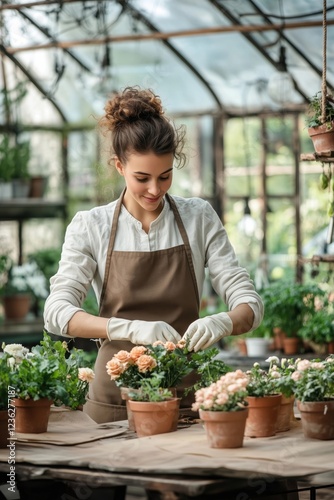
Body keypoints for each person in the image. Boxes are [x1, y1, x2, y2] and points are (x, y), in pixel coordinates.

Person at [44, 86, 264, 424]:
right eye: (141, 178)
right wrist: (127, 328)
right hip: (113, 399)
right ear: (119, 166)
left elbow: (249, 304)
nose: (154, 190)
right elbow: (57, 313)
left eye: (165, 176)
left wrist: (223, 321)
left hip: (186, 395)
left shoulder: (198, 218)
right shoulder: (91, 226)